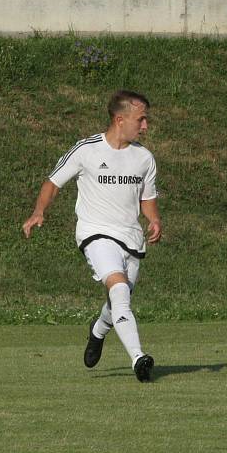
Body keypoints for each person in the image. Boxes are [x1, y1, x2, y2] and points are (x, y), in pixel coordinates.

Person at [22, 90, 161, 382]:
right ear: (120, 119)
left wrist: (154, 219)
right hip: (95, 234)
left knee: (117, 303)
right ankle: (139, 359)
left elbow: (147, 198)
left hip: (132, 238)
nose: (145, 126)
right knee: (119, 291)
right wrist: (39, 211)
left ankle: (98, 331)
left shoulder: (144, 159)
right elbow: (52, 182)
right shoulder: (86, 150)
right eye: (141, 119)